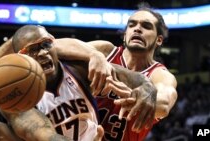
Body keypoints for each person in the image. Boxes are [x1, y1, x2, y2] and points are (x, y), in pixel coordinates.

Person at [4, 25, 157, 141]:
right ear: (21, 58)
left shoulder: (78, 69)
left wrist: (148, 88)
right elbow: (46, 136)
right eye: (33, 49)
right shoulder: (17, 95)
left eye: (46, 45)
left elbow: (135, 78)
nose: (43, 52)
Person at [54, 7, 178, 141]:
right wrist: (93, 55)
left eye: (146, 26)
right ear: (125, 35)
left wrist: (135, 98)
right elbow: (53, 46)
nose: (137, 29)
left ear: (159, 40)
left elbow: (164, 104)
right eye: (132, 25)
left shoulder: (159, 74)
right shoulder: (105, 52)